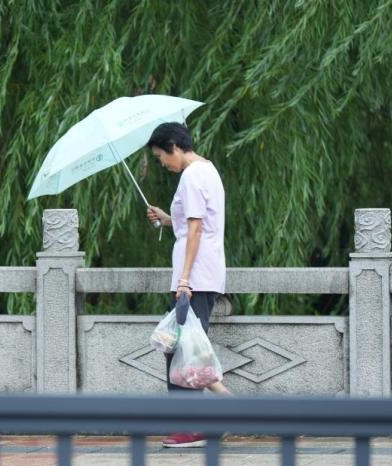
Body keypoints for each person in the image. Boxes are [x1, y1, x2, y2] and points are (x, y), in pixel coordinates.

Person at [145, 122, 231, 448]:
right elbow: (192, 223)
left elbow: (196, 230)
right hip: (201, 274)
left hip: (193, 278)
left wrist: (184, 280)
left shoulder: (192, 176)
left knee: (181, 350)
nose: (162, 163)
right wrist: (168, 219)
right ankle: (219, 411)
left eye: (160, 157)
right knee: (187, 347)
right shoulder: (207, 170)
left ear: (173, 147)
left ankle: (193, 426)